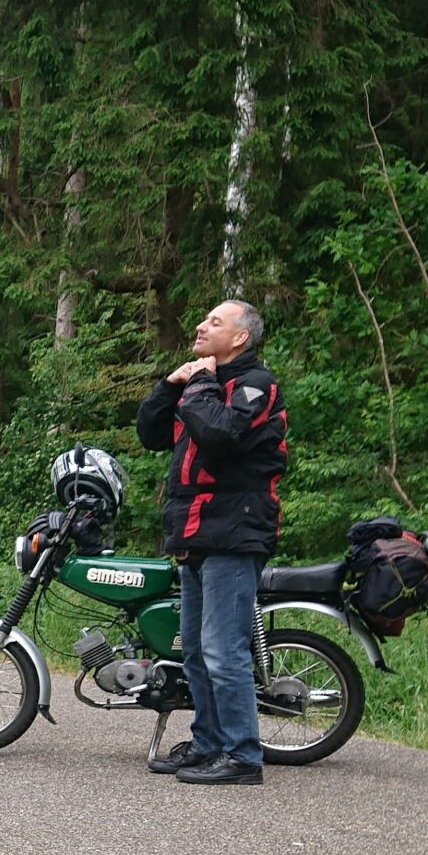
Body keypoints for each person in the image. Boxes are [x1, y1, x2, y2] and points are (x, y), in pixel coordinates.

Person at [135, 298, 289, 786]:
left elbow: (219, 435)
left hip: (233, 531)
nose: (201, 326)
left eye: (214, 322)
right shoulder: (204, 387)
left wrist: (199, 383)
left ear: (239, 338)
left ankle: (243, 757)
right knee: (198, 652)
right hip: (195, 531)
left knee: (225, 651)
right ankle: (208, 745)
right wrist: (169, 385)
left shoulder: (254, 385)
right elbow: (150, 434)